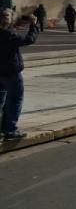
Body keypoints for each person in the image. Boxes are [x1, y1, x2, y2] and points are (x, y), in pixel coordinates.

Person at [0, 9, 39, 141]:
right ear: (5, 19)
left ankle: (2, 128)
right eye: (9, 16)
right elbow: (29, 39)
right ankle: (10, 130)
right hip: (11, 72)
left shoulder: (6, 32)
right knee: (15, 100)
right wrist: (33, 25)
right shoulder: (8, 34)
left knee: (2, 101)